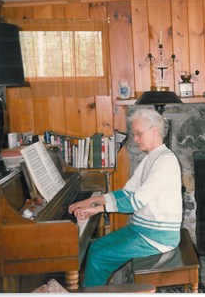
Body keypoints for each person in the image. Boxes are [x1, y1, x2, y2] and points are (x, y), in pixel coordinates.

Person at [68, 108, 182, 288]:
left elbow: (136, 201)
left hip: (158, 237)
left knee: (100, 257)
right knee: (96, 247)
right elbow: (127, 192)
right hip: (141, 229)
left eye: (138, 133)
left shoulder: (166, 161)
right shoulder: (151, 158)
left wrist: (98, 209)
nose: (135, 139)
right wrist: (90, 201)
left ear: (154, 130)